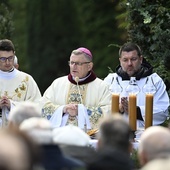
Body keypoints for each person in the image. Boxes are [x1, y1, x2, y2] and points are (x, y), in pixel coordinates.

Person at [40, 47, 111, 130]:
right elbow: (43, 106)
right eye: (72, 63)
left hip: (88, 138)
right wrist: (63, 109)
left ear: (89, 66)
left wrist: (81, 111)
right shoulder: (58, 83)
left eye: (78, 63)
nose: (73, 66)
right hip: (60, 136)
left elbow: (108, 111)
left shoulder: (102, 87)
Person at [104, 42, 169, 128]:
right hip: (116, 134)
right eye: (125, 60)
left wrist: (136, 110)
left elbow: (163, 110)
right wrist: (118, 108)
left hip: (145, 135)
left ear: (141, 59)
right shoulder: (111, 80)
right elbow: (100, 109)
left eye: (133, 59)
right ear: (120, 61)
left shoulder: (154, 80)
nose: (129, 63)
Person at [0, 39, 42, 127]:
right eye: (3, 59)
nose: (7, 62)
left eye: (10, 58)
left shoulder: (26, 79)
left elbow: (38, 106)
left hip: (20, 131)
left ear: (14, 55)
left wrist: (12, 105)